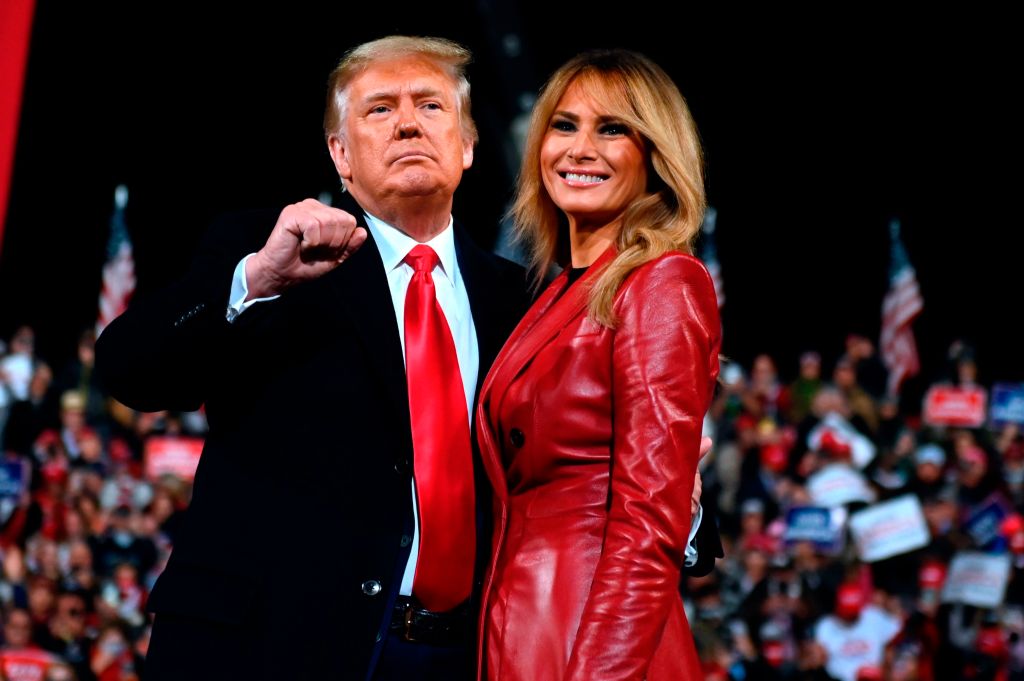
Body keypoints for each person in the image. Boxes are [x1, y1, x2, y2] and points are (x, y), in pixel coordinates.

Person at [96, 36, 530, 681]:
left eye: (431, 105)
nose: (409, 121)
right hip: (270, 648)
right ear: (340, 154)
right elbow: (129, 371)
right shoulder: (267, 250)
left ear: (466, 145)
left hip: (458, 656)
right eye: (380, 109)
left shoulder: (521, 299)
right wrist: (253, 282)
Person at [476, 49, 721, 681]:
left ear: (655, 158)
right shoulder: (554, 294)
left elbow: (647, 523)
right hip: (520, 626)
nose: (580, 148)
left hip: (591, 638)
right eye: (564, 125)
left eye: (612, 129)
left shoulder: (662, 283)